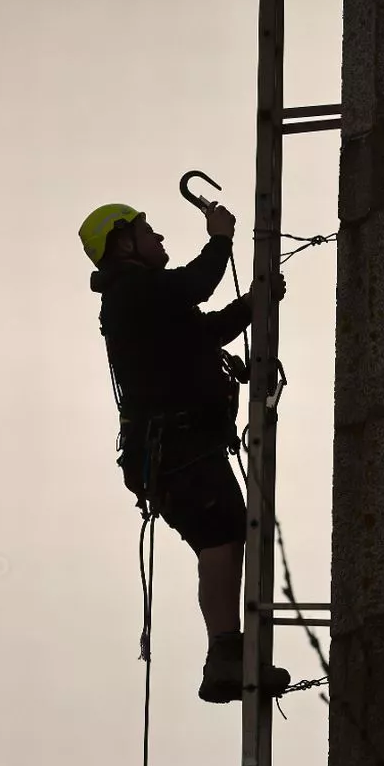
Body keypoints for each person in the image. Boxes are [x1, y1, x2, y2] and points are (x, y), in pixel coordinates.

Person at [79, 199, 290, 703]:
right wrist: (219, 238)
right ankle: (225, 655)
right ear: (124, 243)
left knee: (224, 530)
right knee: (221, 530)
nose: (161, 242)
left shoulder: (143, 299)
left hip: (179, 449)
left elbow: (204, 332)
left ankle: (227, 654)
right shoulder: (133, 290)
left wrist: (253, 305)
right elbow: (195, 286)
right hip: (179, 447)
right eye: (150, 233)